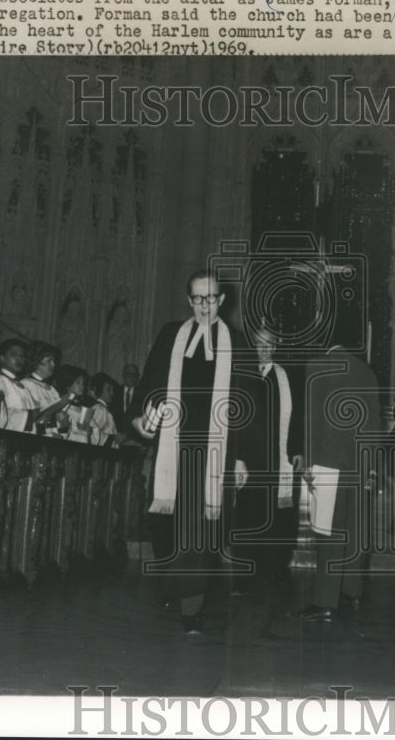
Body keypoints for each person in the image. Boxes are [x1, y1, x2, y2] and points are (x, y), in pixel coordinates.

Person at [124, 270, 250, 634]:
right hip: (171, 445)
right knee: (165, 525)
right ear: (188, 300)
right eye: (198, 299)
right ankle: (173, 585)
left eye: (211, 299)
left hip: (214, 451)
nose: (205, 306)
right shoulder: (170, 334)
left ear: (221, 300)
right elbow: (150, 380)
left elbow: (246, 403)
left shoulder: (237, 342)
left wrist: (241, 456)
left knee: (200, 532)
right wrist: (139, 416)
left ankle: (190, 607)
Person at [293, 319, 380, 624]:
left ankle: (325, 602)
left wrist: (309, 463)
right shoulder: (366, 371)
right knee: (354, 531)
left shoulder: (317, 366)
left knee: (328, 534)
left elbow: (313, 419)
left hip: (328, 462)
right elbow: (373, 427)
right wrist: (370, 469)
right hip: (359, 462)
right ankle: (352, 593)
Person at [235, 324, 302, 595]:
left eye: (269, 344)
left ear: (275, 346)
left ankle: (274, 573)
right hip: (249, 463)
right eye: (259, 343)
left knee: (279, 518)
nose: (263, 349)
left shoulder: (286, 377)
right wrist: (237, 457)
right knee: (248, 516)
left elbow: (298, 417)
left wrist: (297, 449)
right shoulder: (242, 376)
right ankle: (244, 577)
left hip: (279, 461)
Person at [0, 338, 36, 432]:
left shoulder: (22, 385)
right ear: (2, 358)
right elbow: (1, 414)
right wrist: (32, 415)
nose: (19, 359)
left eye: (22, 356)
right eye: (14, 354)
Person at [89, 373, 124, 447]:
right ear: (97, 389)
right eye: (108, 389)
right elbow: (94, 437)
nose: (112, 393)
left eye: (113, 389)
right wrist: (114, 437)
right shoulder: (99, 409)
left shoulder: (103, 408)